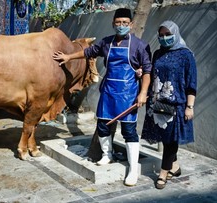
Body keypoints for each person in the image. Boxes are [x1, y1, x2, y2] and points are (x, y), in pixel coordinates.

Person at [53, 8, 152, 186]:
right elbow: (88, 52)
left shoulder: (140, 45)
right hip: (108, 92)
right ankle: (107, 155)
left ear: (131, 24)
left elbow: (147, 71)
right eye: (118, 22)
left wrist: (143, 93)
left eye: (124, 23)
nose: (121, 26)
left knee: (129, 131)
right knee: (103, 126)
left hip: (128, 94)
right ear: (113, 23)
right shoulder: (107, 42)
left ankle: (132, 169)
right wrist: (68, 56)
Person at [141, 20, 197, 189]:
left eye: (168, 34)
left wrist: (189, 106)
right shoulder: (157, 53)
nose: (164, 38)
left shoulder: (186, 55)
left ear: (176, 33)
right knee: (165, 140)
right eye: (161, 35)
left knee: (171, 140)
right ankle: (175, 166)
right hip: (157, 104)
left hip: (176, 105)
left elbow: (191, 82)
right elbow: (152, 73)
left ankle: (163, 173)